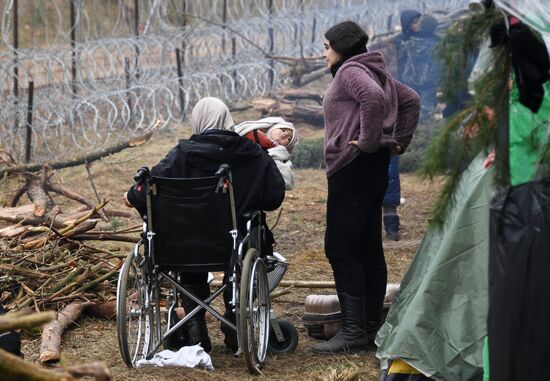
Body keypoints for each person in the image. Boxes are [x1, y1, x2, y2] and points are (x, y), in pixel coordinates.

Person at [124, 97, 285, 353]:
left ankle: (194, 324)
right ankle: (234, 321)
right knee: (241, 253)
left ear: (198, 121)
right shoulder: (251, 153)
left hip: (182, 246)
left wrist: (132, 196)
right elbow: (274, 197)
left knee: (190, 242)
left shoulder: (181, 155)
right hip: (233, 244)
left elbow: (147, 190)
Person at [311, 21, 419, 355]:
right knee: (367, 246)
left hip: (353, 166)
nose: (324, 52)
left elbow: (371, 99)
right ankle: (371, 327)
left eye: (327, 46)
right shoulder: (377, 71)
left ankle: (354, 331)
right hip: (372, 169)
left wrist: (370, 141)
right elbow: (411, 99)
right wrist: (397, 141)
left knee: (341, 247)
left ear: (341, 48)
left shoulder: (350, 72)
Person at [235, 117, 298, 190]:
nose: (285, 134)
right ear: (272, 128)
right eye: (283, 130)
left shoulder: (280, 157)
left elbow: (287, 183)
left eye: (289, 139)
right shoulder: (249, 134)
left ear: (287, 146)